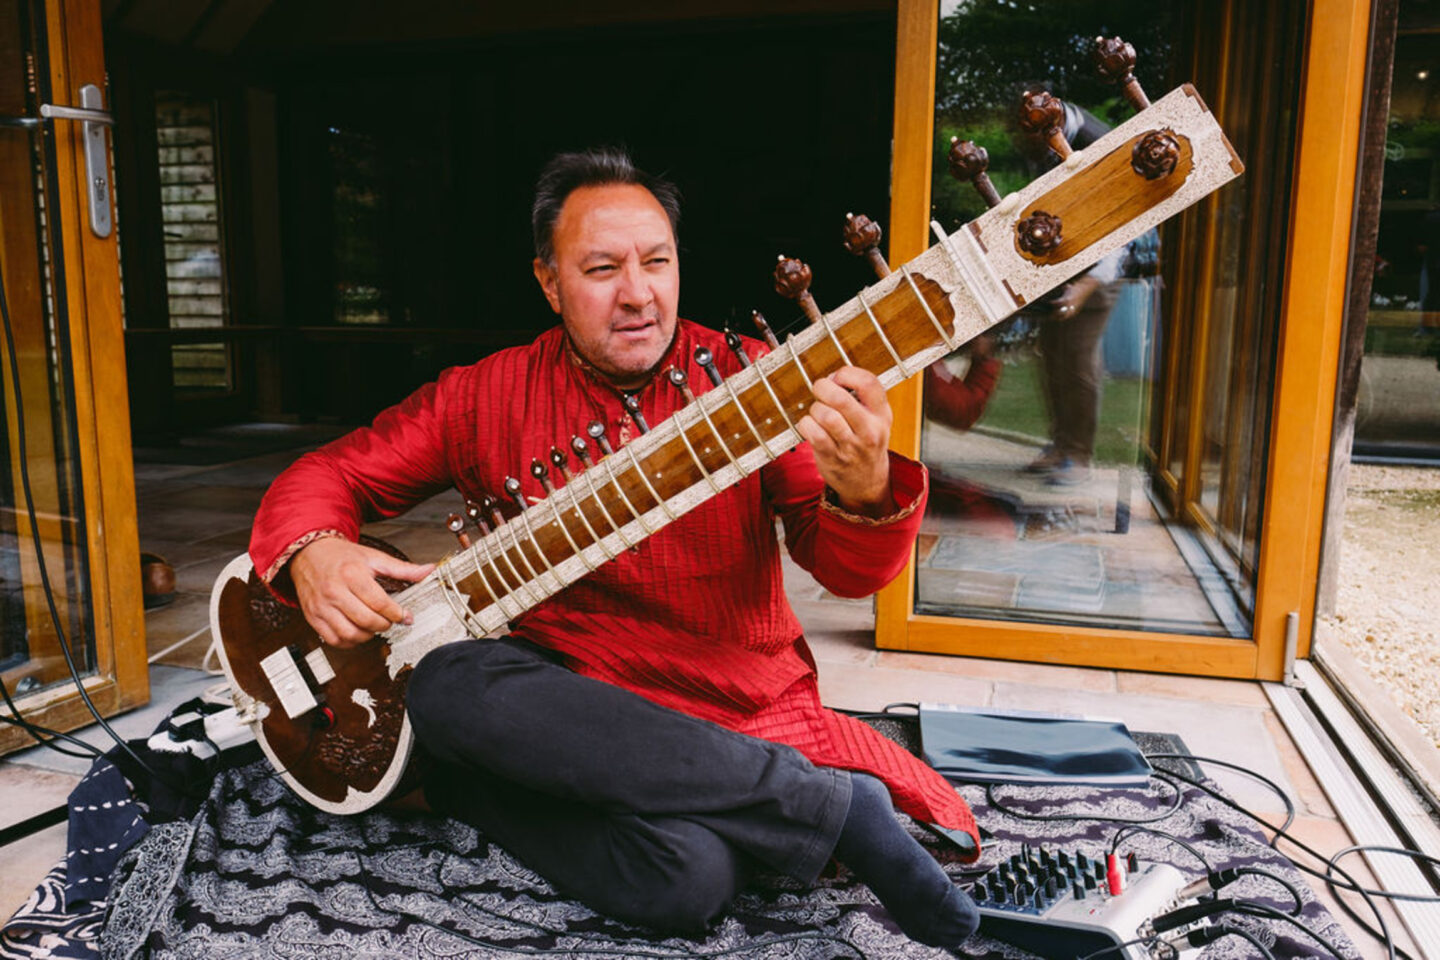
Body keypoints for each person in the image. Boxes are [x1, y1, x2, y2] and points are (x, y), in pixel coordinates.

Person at [248, 148, 981, 947]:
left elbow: (844, 571)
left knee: (682, 873)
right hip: (572, 703)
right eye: (601, 269)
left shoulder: (753, 381)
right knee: (453, 683)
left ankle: (465, 781)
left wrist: (865, 489)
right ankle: (824, 806)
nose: (639, 295)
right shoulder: (482, 396)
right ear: (548, 282)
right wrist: (314, 550)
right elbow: (329, 473)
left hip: (731, 704)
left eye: (657, 263)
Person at [1017, 98, 1125, 486]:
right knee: (1053, 359)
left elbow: (1120, 226)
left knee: (1078, 364)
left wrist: (1083, 287)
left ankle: (1078, 458)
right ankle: (1060, 447)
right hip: (1064, 270)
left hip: (1099, 276)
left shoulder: (1096, 143)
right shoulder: (1044, 145)